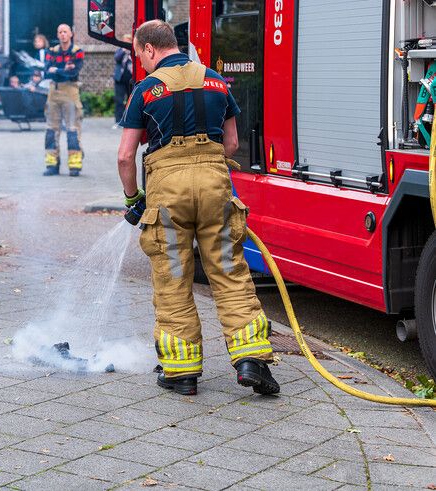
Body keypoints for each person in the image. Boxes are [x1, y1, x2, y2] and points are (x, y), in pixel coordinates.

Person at [118, 20, 279, 396]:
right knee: (230, 272)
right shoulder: (217, 81)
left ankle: (182, 373)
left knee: (173, 277)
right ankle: (253, 361)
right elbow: (233, 144)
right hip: (214, 188)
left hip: (167, 195)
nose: (141, 62)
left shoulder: (145, 89)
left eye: (139, 54)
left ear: (150, 49)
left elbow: (126, 156)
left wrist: (132, 200)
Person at [43, 24, 84, 177]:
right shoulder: (51, 51)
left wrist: (57, 70)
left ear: (71, 34)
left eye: (65, 32)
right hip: (53, 92)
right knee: (51, 129)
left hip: (70, 91)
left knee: (72, 129)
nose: (62, 34)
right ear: (58, 34)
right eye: (60, 32)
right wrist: (63, 69)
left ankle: (74, 165)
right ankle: (52, 165)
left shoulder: (77, 51)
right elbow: (47, 72)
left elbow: (73, 73)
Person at [113, 34, 133, 127]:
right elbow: (117, 58)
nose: (125, 43)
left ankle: (129, 120)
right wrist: (124, 50)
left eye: (127, 41)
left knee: (131, 100)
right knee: (119, 100)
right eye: (124, 41)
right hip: (119, 79)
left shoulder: (133, 51)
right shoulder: (120, 50)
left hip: (131, 80)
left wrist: (129, 52)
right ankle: (118, 121)